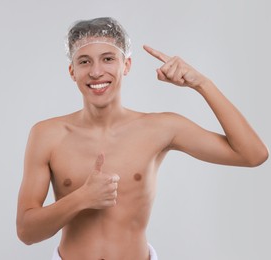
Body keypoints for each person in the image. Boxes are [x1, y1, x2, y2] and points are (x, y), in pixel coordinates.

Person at [16, 17, 268, 260]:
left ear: (126, 65)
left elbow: (252, 155)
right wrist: (82, 197)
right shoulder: (46, 134)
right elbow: (26, 232)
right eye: (84, 61)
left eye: (107, 59)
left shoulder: (160, 127)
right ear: (72, 71)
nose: (96, 71)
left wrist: (201, 84)